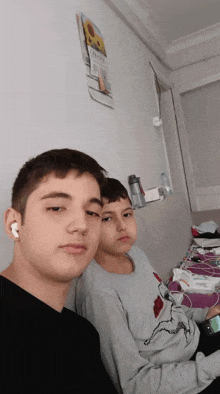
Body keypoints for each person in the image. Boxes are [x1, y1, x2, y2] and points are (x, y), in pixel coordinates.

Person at [75, 177, 220, 394]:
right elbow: (134, 384)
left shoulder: (134, 254)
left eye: (127, 214)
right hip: (178, 377)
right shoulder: (99, 294)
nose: (121, 226)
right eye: (107, 219)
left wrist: (203, 313)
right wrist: (212, 366)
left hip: (195, 341)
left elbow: (167, 305)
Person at [0, 149, 118, 394]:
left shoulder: (83, 334)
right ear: (14, 224)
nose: (81, 225)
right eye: (56, 208)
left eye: (92, 213)